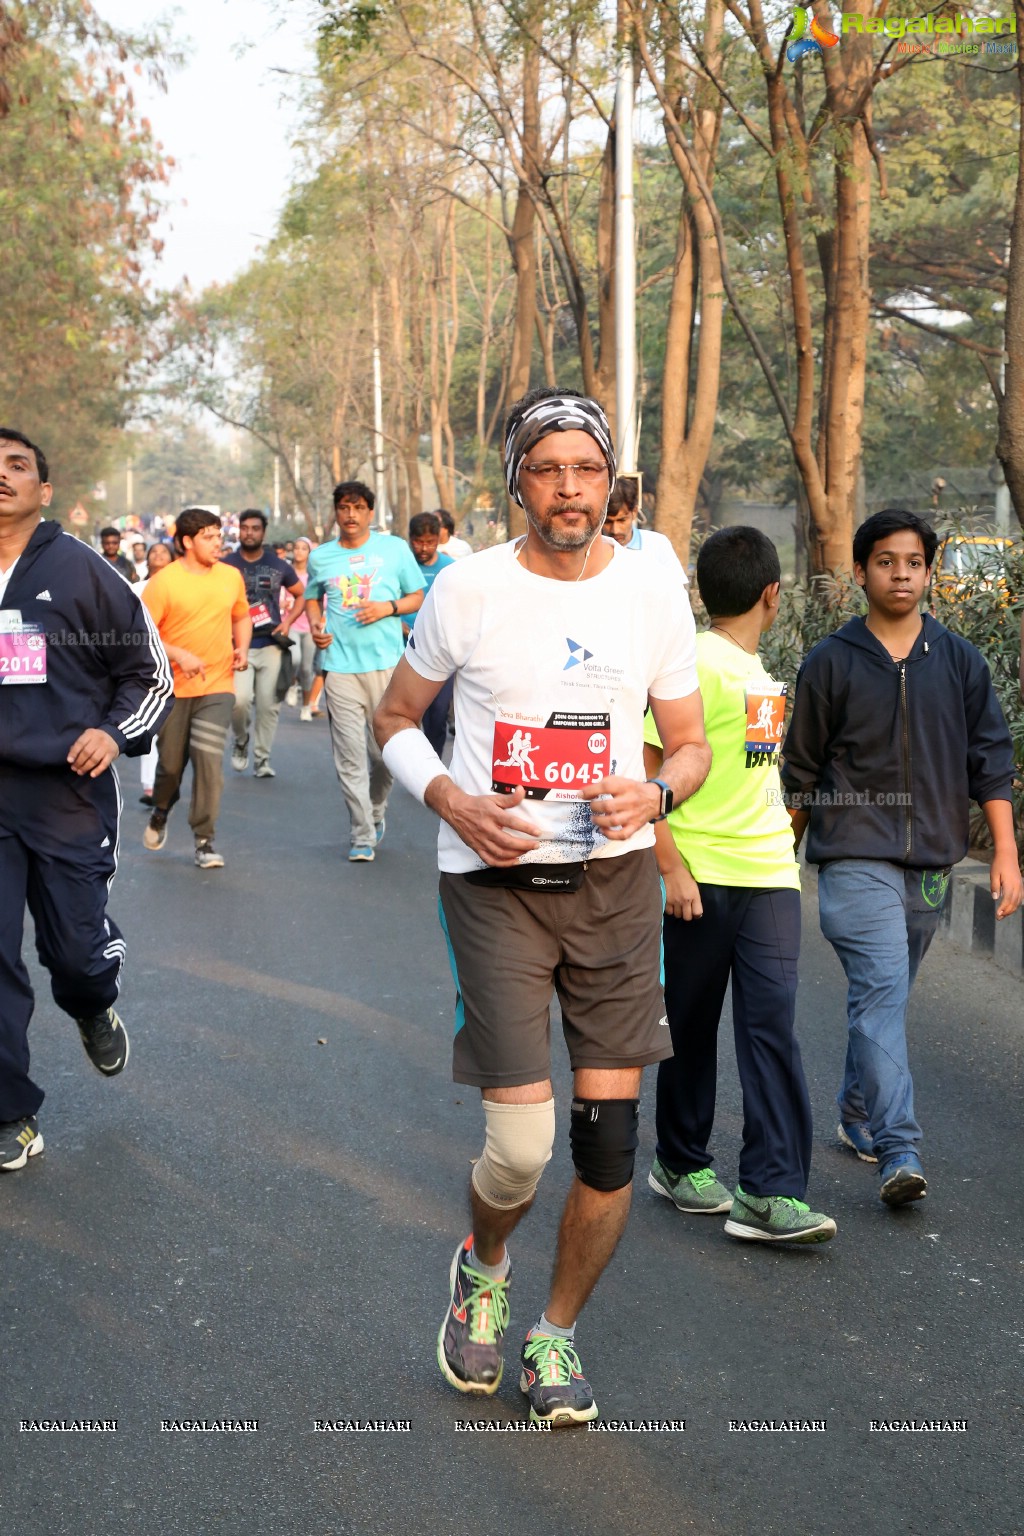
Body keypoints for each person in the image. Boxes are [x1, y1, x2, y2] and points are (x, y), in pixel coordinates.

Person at [373, 387, 710, 1426]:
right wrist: (452, 801)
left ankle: (554, 1337)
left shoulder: (652, 592)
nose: (568, 488)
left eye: (585, 470)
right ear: (516, 480)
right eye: (547, 469)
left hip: (611, 887)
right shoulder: (467, 590)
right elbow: (396, 719)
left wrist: (654, 794)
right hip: (494, 887)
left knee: (609, 1143)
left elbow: (690, 746)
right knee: (519, 1149)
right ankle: (484, 1265)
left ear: (610, 481)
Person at [782, 509, 1022, 1207]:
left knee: (884, 997)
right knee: (882, 991)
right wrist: (775, 862)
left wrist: (1004, 852)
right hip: (853, 850)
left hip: (934, 861)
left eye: (913, 562)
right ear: (860, 572)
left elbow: (991, 759)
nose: (900, 574)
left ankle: (857, 1113)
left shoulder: (958, 661)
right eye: (886, 561)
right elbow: (800, 770)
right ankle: (899, 1148)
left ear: (929, 572)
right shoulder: (830, 661)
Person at [644, 527, 836, 1244]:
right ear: (773, 595)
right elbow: (646, 766)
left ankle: (770, 1188)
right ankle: (679, 1160)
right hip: (699, 874)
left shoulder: (757, 670)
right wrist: (669, 866)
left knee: (771, 1027)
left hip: (769, 875)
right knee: (690, 1024)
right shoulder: (690, 661)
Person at [0, 428, 173, 1173]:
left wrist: (112, 733)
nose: (0, 476)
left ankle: (93, 1001)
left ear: (44, 490)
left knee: (73, 953)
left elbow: (149, 676)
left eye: (16, 466)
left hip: (66, 792)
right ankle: (11, 1112)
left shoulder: (84, 574)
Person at [305, 480, 423, 862]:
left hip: (388, 668)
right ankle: (360, 834)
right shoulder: (321, 557)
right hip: (339, 669)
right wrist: (317, 629)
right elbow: (310, 599)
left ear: (370, 513)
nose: (350, 514)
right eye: (343, 507)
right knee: (350, 756)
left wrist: (387, 608)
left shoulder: (393, 550)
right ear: (336, 512)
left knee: (388, 754)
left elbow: (417, 596)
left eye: (358, 507)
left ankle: (375, 811)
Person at [141, 509, 251, 870]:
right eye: (208, 537)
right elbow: (142, 634)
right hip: (171, 689)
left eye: (219, 536)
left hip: (217, 685)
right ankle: (161, 809)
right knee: (171, 765)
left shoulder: (230, 576)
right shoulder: (164, 582)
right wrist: (177, 654)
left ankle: (204, 840)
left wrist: (242, 647)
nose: (218, 543)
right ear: (187, 541)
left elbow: (240, 615)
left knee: (207, 759)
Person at [223, 510, 305, 779]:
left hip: (271, 643)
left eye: (255, 528)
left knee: (269, 705)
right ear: (238, 531)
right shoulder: (226, 565)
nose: (249, 533)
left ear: (263, 532)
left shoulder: (278, 564)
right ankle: (241, 740)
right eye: (244, 528)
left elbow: (302, 595)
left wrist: (289, 621)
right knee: (239, 701)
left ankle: (262, 759)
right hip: (238, 646)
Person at [405, 512, 454, 757]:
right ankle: (412, 761)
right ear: (410, 538)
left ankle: (433, 760)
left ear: (438, 539)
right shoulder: (403, 565)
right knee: (409, 711)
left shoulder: (450, 568)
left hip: (439, 651)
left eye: (430, 542)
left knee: (438, 712)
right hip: (402, 649)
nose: (424, 548)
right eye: (418, 542)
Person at [138, 542, 174, 805]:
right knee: (151, 723)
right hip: (147, 666)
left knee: (174, 731)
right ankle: (150, 785)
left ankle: (169, 780)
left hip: (181, 667)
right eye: (154, 552)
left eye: (164, 552)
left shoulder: (182, 587)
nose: (158, 556)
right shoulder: (135, 589)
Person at [602, 478, 687, 580]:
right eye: (608, 522)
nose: (615, 530)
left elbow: (677, 588)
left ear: (634, 512)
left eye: (622, 520)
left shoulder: (657, 544)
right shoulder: (591, 550)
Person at [282, 535, 317, 721]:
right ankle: (291, 684)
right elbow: (278, 594)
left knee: (306, 669)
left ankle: (306, 706)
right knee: (294, 659)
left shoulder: (313, 575)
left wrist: (321, 617)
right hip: (291, 623)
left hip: (310, 626)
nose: (299, 551)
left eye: (304, 548)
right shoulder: (287, 573)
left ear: (309, 553)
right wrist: (282, 604)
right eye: (296, 547)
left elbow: (322, 599)